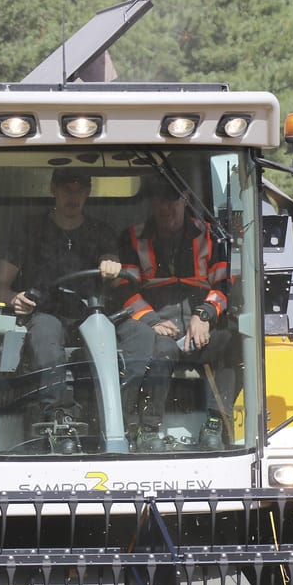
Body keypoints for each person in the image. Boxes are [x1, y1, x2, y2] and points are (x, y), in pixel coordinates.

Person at [0, 168, 120, 452]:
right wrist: (14, 298)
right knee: (47, 332)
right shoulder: (29, 230)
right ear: (53, 189)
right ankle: (61, 419)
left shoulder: (102, 233)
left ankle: (128, 423)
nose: (72, 197)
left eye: (79, 190)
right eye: (66, 190)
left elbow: (113, 262)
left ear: (88, 193)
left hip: (92, 316)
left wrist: (111, 264)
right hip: (44, 314)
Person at [115, 177, 239, 452]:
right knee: (158, 350)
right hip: (159, 320)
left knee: (232, 342)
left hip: (202, 319)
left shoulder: (212, 235)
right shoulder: (133, 237)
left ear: (184, 199)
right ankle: (148, 430)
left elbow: (223, 284)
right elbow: (124, 289)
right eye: (158, 200)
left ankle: (214, 424)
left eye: (171, 200)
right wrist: (151, 320)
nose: (164, 207)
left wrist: (205, 315)